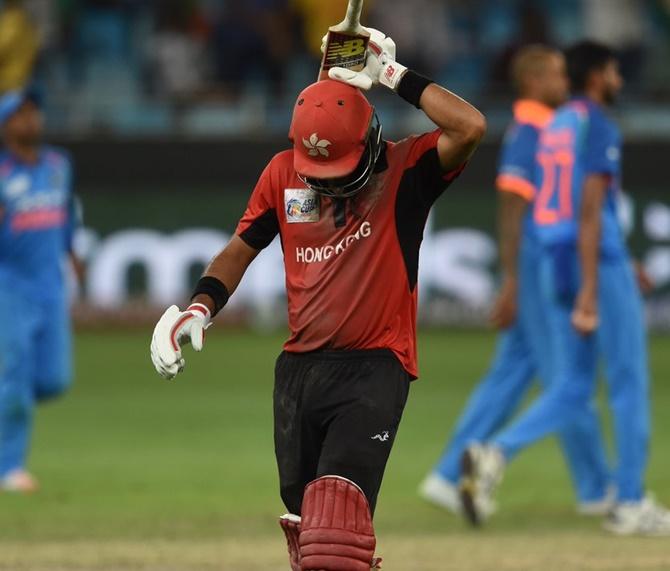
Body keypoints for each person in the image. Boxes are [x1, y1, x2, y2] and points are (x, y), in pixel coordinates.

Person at [151, 28, 485, 570]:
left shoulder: (408, 172)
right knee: (312, 533)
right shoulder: (283, 173)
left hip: (375, 367)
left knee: (336, 531)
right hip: (298, 374)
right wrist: (199, 306)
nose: (327, 184)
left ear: (371, 142)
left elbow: (470, 126)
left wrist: (392, 76)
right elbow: (240, 248)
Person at [460, 41, 670, 536]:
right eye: (615, 71)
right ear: (597, 76)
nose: (619, 79)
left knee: (574, 386)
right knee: (629, 384)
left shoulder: (554, 126)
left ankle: (494, 452)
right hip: (595, 261)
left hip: (555, 259)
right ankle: (631, 503)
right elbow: (591, 208)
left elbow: (560, 202)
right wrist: (596, 286)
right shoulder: (596, 123)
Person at [419, 45, 611, 520]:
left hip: (535, 262)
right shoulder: (531, 132)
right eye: (556, 75)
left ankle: (447, 476)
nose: (565, 83)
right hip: (541, 264)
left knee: (509, 376)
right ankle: (595, 489)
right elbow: (511, 207)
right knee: (570, 378)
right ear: (532, 82)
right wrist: (514, 280)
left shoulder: (545, 128)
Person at [0, 90, 81, 493]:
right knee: (13, 379)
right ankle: (9, 467)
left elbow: (66, 217)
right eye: (20, 115)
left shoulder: (58, 165)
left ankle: (7, 400)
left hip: (51, 286)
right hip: (9, 287)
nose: (30, 120)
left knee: (53, 379)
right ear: (5, 125)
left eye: (34, 112)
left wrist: (74, 256)